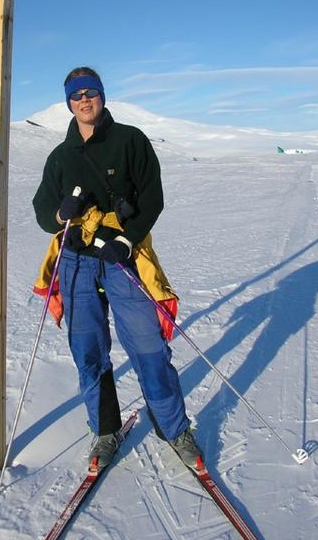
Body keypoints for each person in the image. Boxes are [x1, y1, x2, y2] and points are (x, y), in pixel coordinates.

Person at [33, 66, 202, 469]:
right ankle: (105, 431)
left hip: (123, 259)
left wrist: (127, 240)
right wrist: (61, 213)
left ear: (103, 96)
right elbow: (42, 212)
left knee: (147, 347)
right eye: (76, 95)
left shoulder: (131, 141)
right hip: (76, 264)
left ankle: (174, 429)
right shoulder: (60, 156)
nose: (84, 100)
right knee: (88, 352)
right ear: (68, 103)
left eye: (91, 92)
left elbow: (153, 198)